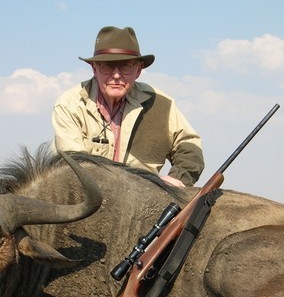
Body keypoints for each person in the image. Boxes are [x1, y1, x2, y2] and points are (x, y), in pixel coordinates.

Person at [52, 26, 204, 187]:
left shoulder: (161, 103)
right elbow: (74, 168)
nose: (116, 75)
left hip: (144, 202)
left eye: (125, 66)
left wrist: (179, 179)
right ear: (94, 69)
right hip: (87, 199)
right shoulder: (70, 104)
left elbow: (189, 144)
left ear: (138, 70)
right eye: (107, 66)